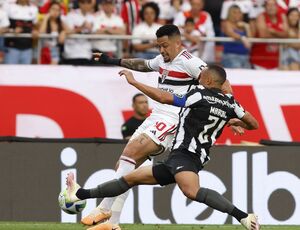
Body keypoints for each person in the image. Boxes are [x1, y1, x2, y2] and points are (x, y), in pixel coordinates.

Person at [66, 64, 260, 230]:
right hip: (183, 157)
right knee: (129, 179)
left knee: (191, 191)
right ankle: (80, 194)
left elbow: (164, 98)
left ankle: (244, 216)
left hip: (185, 155)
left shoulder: (198, 94)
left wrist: (134, 82)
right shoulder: (231, 104)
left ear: (208, 80)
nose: (199, 79)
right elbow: (253, 124)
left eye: (202, 76)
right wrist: (234, 122)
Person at [81, 24, 209, 229]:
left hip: (174, 118)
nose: (161, 51)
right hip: (156, 116)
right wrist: (111, 60)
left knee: (131, 153)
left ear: (178, 43)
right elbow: (143, 64)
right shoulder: (162, 60)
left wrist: (230, 112)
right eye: (159, 46)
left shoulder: (192, 63)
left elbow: (220, 84)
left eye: (165, 46)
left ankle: (105, 207)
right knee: (125, 167)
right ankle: (112, 223)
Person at [221, 4, 252, 69]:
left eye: (239, 12)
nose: (237, 14)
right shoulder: (226, 23)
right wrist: (242, 38)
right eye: (234, 12)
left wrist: (247, 27)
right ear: (230, 14)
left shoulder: (242, 25)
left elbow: (250, 38)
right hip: (231, 56)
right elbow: (230, 33)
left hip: (245, 56)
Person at [39, 0, 68, 64]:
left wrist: (64, 32)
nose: (55, 12)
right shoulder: (44, 22)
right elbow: (41, 32)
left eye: (58, 10)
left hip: (56, 51)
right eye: (53, 9)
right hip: (44, 51)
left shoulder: (61, 22)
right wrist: (46, 18)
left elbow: (70, 30)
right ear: (49, 10)